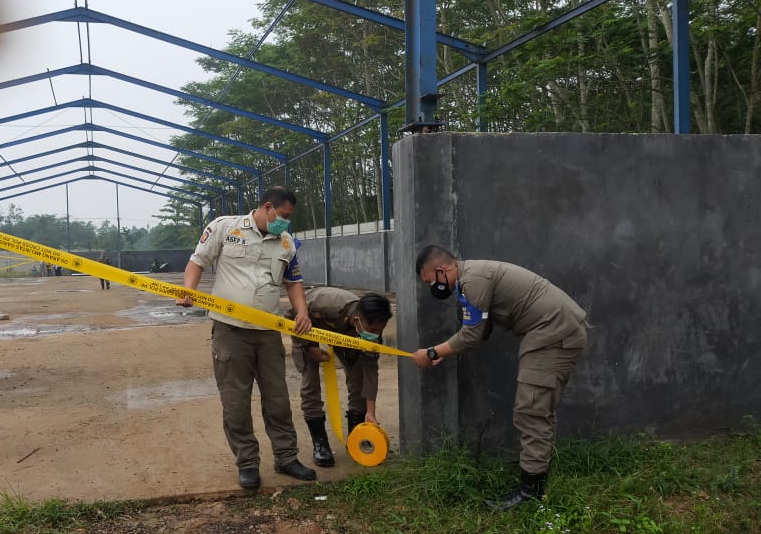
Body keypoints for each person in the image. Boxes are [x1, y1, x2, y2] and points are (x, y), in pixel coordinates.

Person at [411, 245, 588, 511]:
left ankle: (531, 492)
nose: (432, 287)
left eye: (430, 281)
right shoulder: (469, 278)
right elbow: (478, 332)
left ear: (441, 270)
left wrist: (433, 351)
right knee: (534, 408)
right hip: (551, 329)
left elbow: (472, 334)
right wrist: (443, 352)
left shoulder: (473, 280)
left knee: (532, 409)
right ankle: (535, 481)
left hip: (553, 331)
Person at [177, 187, 317, 489]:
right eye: (284, 216)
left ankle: (286, 457)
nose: (286, 223)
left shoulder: (286, 242)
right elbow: (197, 261)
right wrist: (189, 289)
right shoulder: (225, 227)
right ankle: (248, 463)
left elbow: (293, 282)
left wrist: (301, 311)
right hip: (231, 331)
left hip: (268, 333)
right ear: (268, 207)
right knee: (236, 401)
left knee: (278, 399)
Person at [286, 288, 393, 466]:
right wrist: (309, 347)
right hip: (306, 329)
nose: (374, 335)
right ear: (358, 320)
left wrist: (370, 412)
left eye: (378, 331)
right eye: (372, 330)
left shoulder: (372, 333)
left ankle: (357, 435)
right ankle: (320, 444)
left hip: (348, 335)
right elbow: (291, 317)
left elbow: (370, 371)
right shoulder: (325, 304)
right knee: (310, 384)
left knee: (357, 380)